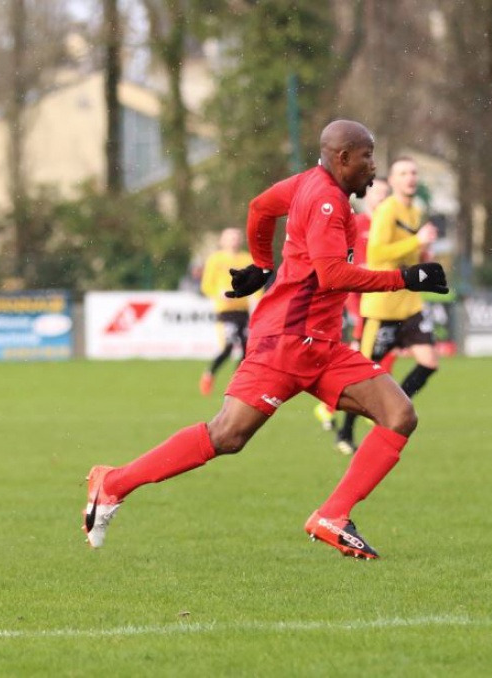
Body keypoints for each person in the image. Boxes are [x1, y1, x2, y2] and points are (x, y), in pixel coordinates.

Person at [81, 120, 449, 560]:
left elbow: (260, 207)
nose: (373, 166)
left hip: (321, 346)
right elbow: (332, 275)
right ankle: (113, 483)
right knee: (227, 435)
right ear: (343, 158)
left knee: (399, 414)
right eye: (367, 156)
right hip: (287, 341)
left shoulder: (308, 182)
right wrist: (405, 278)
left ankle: (333, 515)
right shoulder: (327, 201)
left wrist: (260, 264)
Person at [334, 157, 440, 455]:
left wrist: (423, 252)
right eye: (403, 173)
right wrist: (416, 241)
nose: (410, 177)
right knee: (363, 377)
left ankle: (393, 409)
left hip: (409, 303)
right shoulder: (387, 211)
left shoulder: (415, 211)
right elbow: (378, 254)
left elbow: (408, 254)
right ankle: (345, 430)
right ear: (392, 181)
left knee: (429, 362)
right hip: (381, 307)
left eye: (414, 172)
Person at [314, 176, 389, 431]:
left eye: (386, 193)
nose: (382, 198)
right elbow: (347, 263)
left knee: (383, 352)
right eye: (378, 192)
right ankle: (334, 407)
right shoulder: (357, 223)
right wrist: (366, 270)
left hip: (385, 298)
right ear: (367, 196)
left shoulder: (389, 224)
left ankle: (364, 406)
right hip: (360, 298)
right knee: (363, 353)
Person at [198, 227, 257, 396]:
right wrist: (219, 293)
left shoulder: (247, 259)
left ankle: (237, 383)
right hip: (225, 312)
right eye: (230, 238)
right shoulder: (215, 259)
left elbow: (256, 284)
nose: (234, 241)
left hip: (243, 311)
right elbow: (206, 285)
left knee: (247, 348)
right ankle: (209, 374)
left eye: (237, 237)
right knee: (229, 346)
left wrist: (257, 300)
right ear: (222, 241)